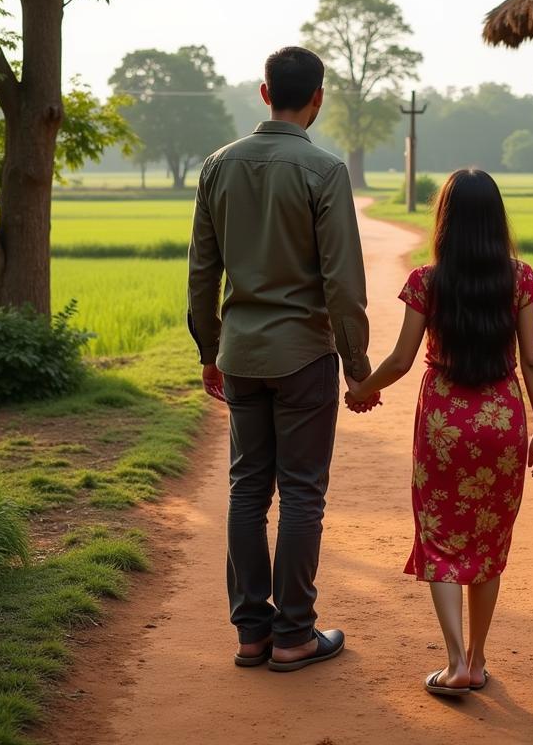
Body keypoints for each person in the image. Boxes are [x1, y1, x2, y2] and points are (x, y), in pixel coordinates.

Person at [187, 45, 371, 672]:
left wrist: (211, 351)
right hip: (304, 357)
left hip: (240, 354)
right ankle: (294, 634)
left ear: (263, 93)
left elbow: (201, 275)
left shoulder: (216, 167)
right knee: (300, 494)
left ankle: (250, 633)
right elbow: (343, 282)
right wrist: (357, 365)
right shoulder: (324, 171)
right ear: (317, 99)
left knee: (246, 490)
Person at [347, 168, 533, 697]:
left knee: (439, 535)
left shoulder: (425, 282)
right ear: (495, 220)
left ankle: (456, 660)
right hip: (503, 419)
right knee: (489, 539)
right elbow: (531, 361)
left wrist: (362, 390)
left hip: (443, 422)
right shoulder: (521, 278)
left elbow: (400, 359)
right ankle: (480, 660)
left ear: (446, 221)